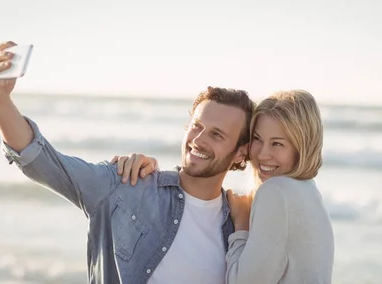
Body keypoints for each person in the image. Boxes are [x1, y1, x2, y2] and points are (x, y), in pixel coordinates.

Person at [0, 41, 257, 284]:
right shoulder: (126, 184)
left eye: (217, 134)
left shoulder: (240, 224)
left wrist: (244, 226)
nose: (198, 140)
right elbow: (42, 162)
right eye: (196, 126)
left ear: (240, 153)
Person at [113, 90, 335, 283]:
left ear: (301, 146)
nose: (262, 154)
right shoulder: (309, 192)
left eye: (277, 143)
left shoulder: (275, 192)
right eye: (257, 139)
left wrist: (241, 225)